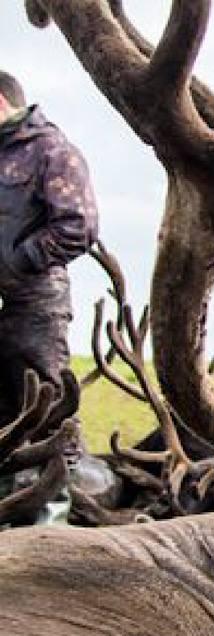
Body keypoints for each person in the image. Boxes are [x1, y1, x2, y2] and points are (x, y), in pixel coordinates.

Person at [0, 70, 97, 431]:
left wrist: (18, 260)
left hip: (35, 305)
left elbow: (78, 226)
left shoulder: (52, 151)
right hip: (6, 306)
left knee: (44, 415)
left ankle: (62, 472)